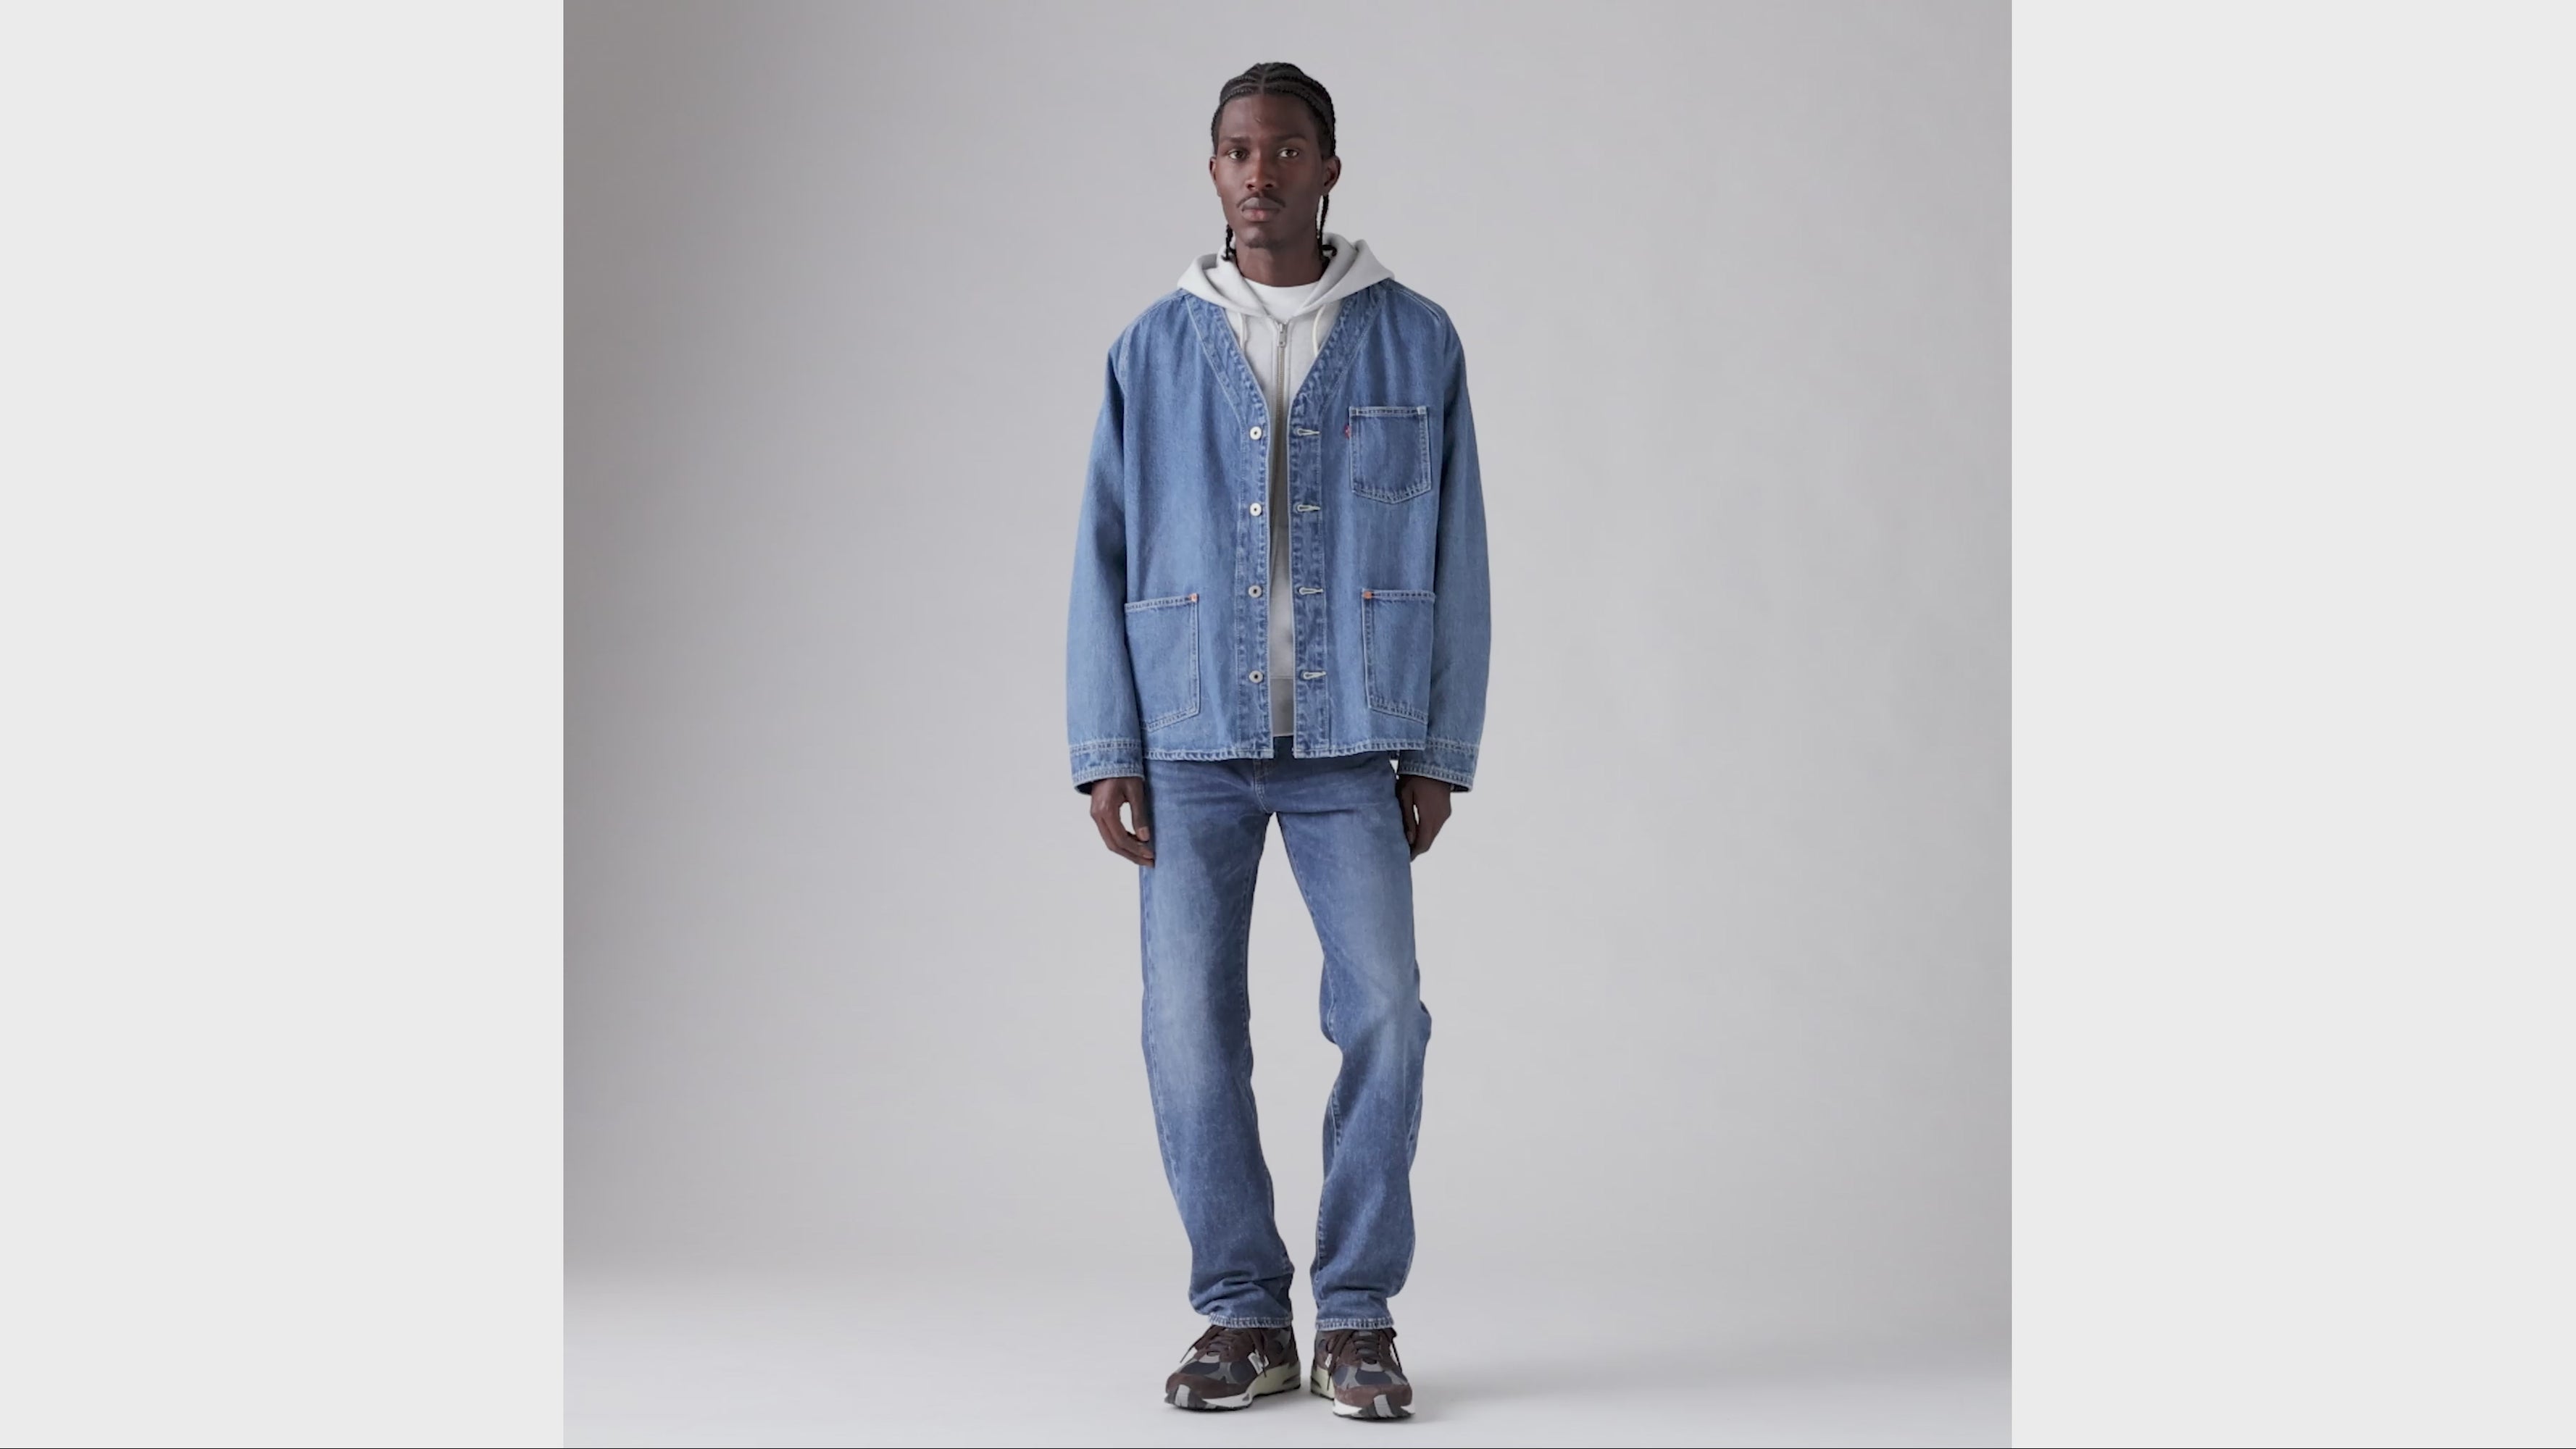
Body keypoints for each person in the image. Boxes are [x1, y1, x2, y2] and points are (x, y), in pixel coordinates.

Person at [1062, 61, 1491, 1421]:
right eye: (1240, 151)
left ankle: (1357, 1312)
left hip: (1353, 744)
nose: (1262, 172)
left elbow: (1458, 550)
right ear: (1214, 172)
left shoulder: (1414, 338)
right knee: (1187, 1028)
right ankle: (1242, 1313)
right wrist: (1106, 746)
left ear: (1328, 169)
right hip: (1189, 740)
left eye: (1287, 149)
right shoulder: (1152, 349)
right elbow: (1103, 552)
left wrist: (1439, 747)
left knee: (1386, 1013)